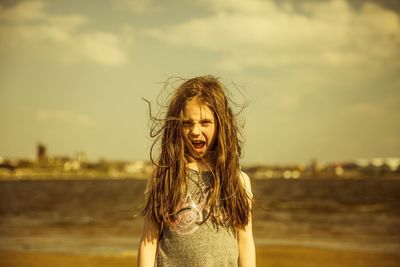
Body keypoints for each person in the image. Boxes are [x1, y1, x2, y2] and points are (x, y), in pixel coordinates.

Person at [137, 75, 255, 267]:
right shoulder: (164, 176)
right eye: (187, 123)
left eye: (205, 122)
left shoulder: (237, 180)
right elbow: (148, 242)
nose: (195, 131)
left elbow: (245, 241)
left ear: (221, 125)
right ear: (176, 126)